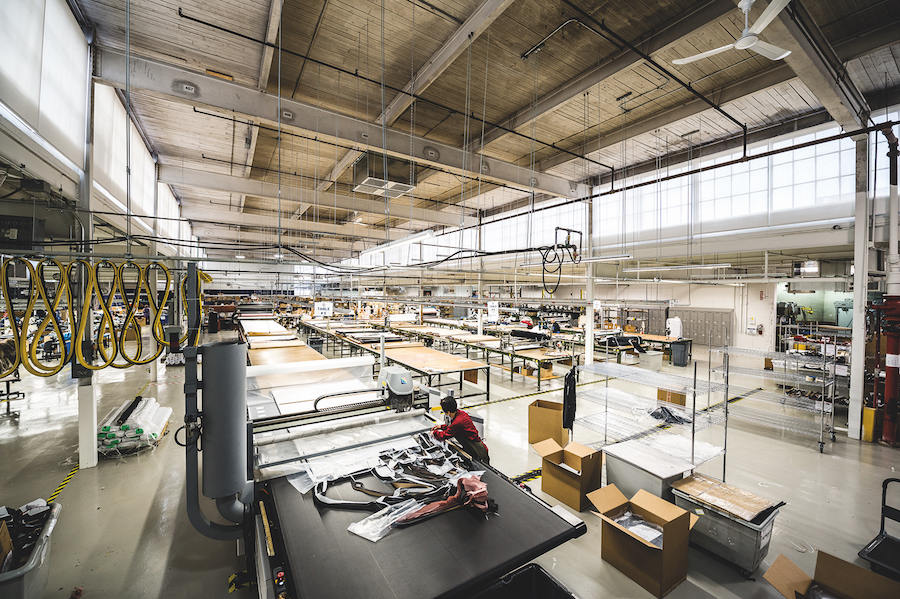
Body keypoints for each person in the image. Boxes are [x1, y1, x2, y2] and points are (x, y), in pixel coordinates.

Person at [431, 397, 490, 464]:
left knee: (480, 466)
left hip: (477, 450)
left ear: (448, 412)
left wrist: (434, 433)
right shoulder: (460, 413)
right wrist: (441, 426)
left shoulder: (458, 422)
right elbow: (452, 427)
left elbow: (445, 435)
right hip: (472, 445)